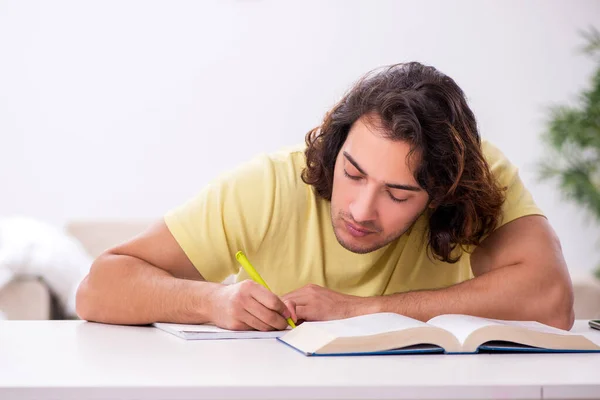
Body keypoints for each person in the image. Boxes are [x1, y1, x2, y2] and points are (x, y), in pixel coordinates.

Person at [76, 62, 575, 331]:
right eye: (352, 174)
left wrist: (357, 311)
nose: (361, 210)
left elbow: (550, 299)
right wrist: (212, 301)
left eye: (398, 194)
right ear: (333, 150)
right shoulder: (269, 185)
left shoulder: (477, 174)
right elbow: (99, 287)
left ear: (442, 194)